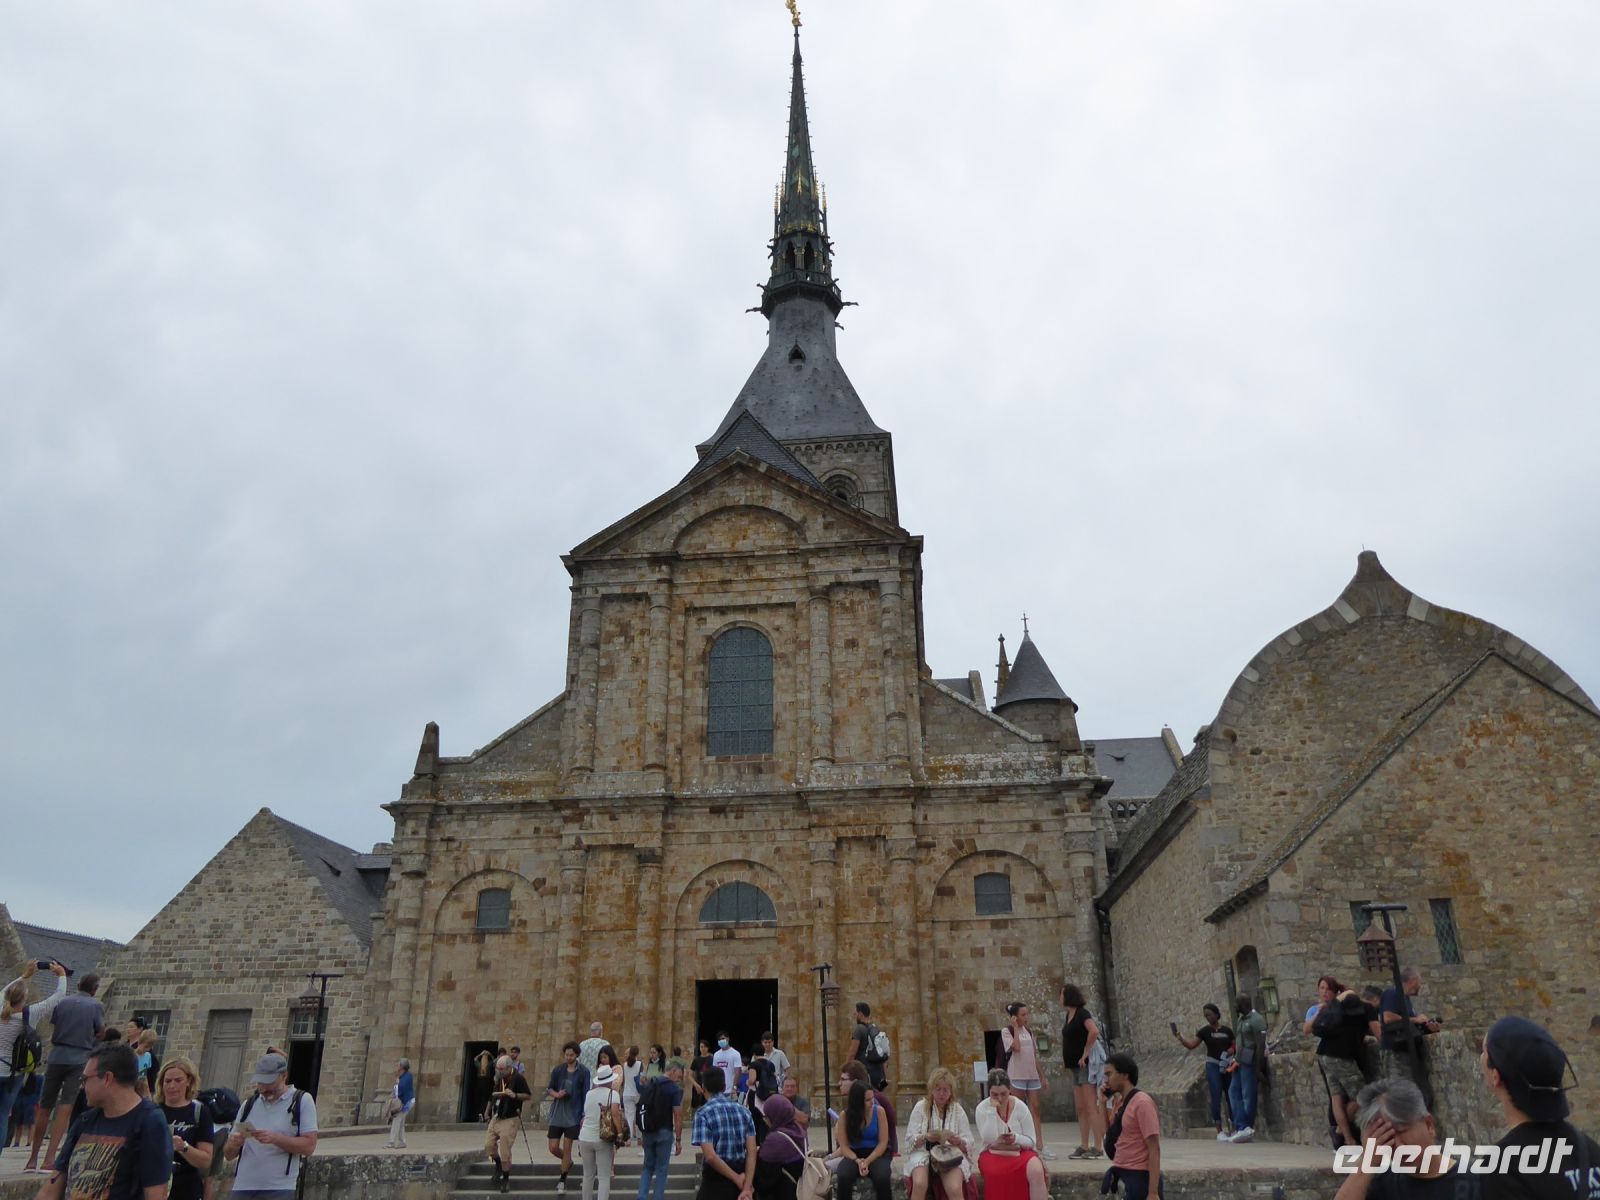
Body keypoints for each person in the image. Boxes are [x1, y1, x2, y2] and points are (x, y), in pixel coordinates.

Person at [1480, 1014, 1600, 1199]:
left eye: (1484, 1051)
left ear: (1496, 1077)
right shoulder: (1589, 1149)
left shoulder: (1503, 1166)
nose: (1481, 1057)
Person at [32, 1042, 171, 1200]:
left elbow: (156, 1194)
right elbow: (51, 1189)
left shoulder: (150, 1122)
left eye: (85, 1079)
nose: (82, 1086)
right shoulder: (85, 1121)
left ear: (107, 1078)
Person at [25, 970, 107, 1174]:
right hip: (78, 1057)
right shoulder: (96, 1006)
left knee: (45, 1106)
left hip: (57, 1055)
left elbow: (55, 1024)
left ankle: (32, 1159)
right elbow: (101, 1031)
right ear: (95, 989)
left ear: (78, 986)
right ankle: (49, 1159)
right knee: (66, 1106)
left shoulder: (63, 1003)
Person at [1332, 1077, 1470, 1200]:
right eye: (1387, 1137)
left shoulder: (1474, 1182)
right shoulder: (1380, 1185)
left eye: (1402, 1131)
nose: (1399, 1146)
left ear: (1429, 1125)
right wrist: (1366, 1164)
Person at [224, 1052, 318, 1200]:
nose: (264, 1088)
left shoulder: (302, 1101)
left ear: (284, 1076)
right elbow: (228, 1155)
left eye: (269, 1083)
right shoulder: (248, 1104)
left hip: (279, 1187)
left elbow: (309, 1146)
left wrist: (276, 1139)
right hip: (243, 1186)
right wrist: (234, 1144)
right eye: (260, 1083)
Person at [2, 961, 68, 1156]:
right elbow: (57, 998)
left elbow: (3, 992)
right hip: (13, 1073)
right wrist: (62, 975)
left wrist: (25, 976)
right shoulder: (29, 1014)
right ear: (25, 998)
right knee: (2, 1116)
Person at [1309, 978, 1371, 1147]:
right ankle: (1340, 1131)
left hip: (1324, 1055)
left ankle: (1348, 1140)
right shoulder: (1357, 1010)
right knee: (1363, 1095)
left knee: (1336, 1098)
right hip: (1339, 1056)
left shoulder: (1333, 1011)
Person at [973, 1069, 1045, 1200]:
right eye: (995, 1094)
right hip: (992, 1153)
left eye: (1003, 1094)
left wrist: (1016, 1138)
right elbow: (988, 1139)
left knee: (1036, 1170)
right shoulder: (982, 1109)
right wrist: (991, 1112)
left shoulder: (1020, 1107)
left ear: (1009, 1090)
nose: (1000, 1098)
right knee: (995, 1172)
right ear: (989, 1092)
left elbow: (1031, 1141)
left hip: (1020, 1151)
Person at [904, 1067, 973, 1200]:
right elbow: (910, 1138)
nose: (941, 1094)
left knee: (954, 1187)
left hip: (950, 1154)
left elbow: (969, 1141)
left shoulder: (958, 1110)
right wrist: (925, 1137)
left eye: (945, 1090)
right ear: (931, 1090)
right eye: (938, 1089)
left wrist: (959, 1141)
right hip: (923, 1152)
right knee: (920, 1183)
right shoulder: (921, 1107)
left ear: (951, 1091)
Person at [1103, 1053, 1162, 1200]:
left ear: (1124, 1074)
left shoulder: (1142, 1103)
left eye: (1109, 1074)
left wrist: (1153, 1193)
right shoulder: (1120, 1103)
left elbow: (1154, 1148)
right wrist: (1102, 1103)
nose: (1106, 1080)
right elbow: (1109, 1136)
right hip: (1123, 1173)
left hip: (1139, 1177)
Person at [691, 1066, 756, 1200]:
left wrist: (736, 1178)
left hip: (716, 1179)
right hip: (740, 1174)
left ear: (703, 1087)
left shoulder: (703, 1113)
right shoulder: (744, 1111)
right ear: (724, 1086)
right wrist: (747, 1186)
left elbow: (710, 1156)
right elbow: (752, 1151)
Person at [1171, 1002, 1233, 1139]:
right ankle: (1219, 1130)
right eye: (1206, 1016)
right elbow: (1192, 1045)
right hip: (1213, 1065)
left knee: (1230, 1095)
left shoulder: (1227, 1031)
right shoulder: (1204, 1031)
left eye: (1210, 1015)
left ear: (1216, 1014)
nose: (1208, 1017)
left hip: (1226, 1064)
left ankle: (1234, 1127)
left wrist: (1230, 1051)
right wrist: (1181, 1039)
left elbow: (1234, 1045)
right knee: (1216, 1095)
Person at [157, 1056, 215, 1200]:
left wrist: (183, 1147)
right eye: (168, 1081)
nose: (172, 1086)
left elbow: (205, 1160)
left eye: (178, 1080)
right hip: (155, 1186)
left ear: (189, 1081)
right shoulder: (153, 1112)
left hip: (187, 1188)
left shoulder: (199, 1112)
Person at [1059, 983, 1104, 1159]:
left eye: (1062, 994)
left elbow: (1093, 1031)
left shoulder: (1082, 1013)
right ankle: (1084, 1145)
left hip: (1084, 1066)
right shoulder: (1068, 1015)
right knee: (1081, 1108)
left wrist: (1085, 1053)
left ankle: (1098, 1146)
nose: (1060, 998)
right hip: (1074, 1067)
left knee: (1090, 1106)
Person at [999, 1002, 1049, 1159]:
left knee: (1036, 1109)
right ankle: (1019, 1143)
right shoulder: (1006, 1031)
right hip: (1017, 1075)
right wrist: (1015, 1028)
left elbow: (1033, 1056)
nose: (1026, 1018)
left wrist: (1042, 1076)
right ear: (1015, 1017)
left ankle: (1040, 1145)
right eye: (1023, 1015)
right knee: (1017, 1110)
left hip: (1031, 1075)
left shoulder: (1029, 1031)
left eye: (1027, 1014)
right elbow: (1016, 1047)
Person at [831, 1077, 890, 1200]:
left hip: (876, 1153)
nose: (872, 1102)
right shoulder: (845, 1116)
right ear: (857, 1101)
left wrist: (867, 1161)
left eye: (872, 1098)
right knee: (844, 1176)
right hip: (853, 1154)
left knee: (882, 1177)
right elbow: (844, 1146)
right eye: (867, 1100)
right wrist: (857, 1160)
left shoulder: (879, 1112)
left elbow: (883, 1143)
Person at [635, 1059, 685, 1200]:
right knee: (662, 1169)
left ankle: (641, 1197)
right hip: (664, 1131)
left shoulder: (650, 1084)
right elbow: (678, 1115)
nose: (678, 1080)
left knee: (647, 1167)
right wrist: (678, 1139)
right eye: (679, 1076)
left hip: (648, 1131)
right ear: (673, 1071)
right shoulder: (674, 1089)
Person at [1379, 969, 1440, 1083]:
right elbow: (1388, 1017)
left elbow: (1408, 1023)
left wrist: (1428, 1027)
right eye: (1419, 982)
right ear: (1413, 981)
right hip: (1394, 1051)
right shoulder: (1393, 993)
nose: (1420, 986)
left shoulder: (1405, 999)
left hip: (1406, 1050)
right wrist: (1415, 1019)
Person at [546, 1042, 590, 1196]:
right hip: (558, 1113)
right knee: (553, 1147)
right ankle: (568, 1161)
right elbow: (549, 1088)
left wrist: (584, 1114)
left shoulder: (584, 1071)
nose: (568, 1057)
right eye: (566, 1055)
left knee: (567, 1146)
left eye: (571, 1055)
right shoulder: (558, 1070)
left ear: (576, 1055)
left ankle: (562, 1179)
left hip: (574, 1114)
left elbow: (586, 1093)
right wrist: (557, 1094)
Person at [1226, 994, 1268, 1144]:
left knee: (1248, 1095)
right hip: (1239, 1061)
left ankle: (1246, 1127)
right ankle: (1241, 1126)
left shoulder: (1256, 1020)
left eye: (1236, 1003)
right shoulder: (1240, 1020)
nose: (1234, 1006)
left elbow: (1260, 1044)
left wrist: (1259, 1068)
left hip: (1250, 1062)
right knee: (1233, 1092)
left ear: (1243, 1004)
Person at [578, 1064, 623, 1200]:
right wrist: (620, 1133)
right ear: (610, 1080)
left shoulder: (589, 1094)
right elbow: (615, 1115)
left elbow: (586, 1113)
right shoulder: (613, 1094)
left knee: (588, 1175)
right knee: (603, 1176)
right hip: (602, 1138)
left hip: (585, 1137)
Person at [753, 1094, 808, 1200]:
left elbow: (763, 1179)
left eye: (766, 1116)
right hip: (799, 1190)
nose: (765, 1120)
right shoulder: (799, 1131)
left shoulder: (775, 1139)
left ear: (775, 1116)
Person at [836, 1063, 897, 1155]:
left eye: (843, 1079)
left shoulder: (871, 1101)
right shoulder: (858, 1101)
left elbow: (856, 1143)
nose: (839, 1083)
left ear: (855, 1082)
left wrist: (829, 1157)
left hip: (876, 1153)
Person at [846, 1005, 886, 1091]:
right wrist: (883, 1076)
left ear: (860, 1014)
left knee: (863, 1096)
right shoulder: (876, 1030)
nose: (854, 1015)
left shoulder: (859, 1029)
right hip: (877, 1073)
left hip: (864, 1073)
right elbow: (884, 1056)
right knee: (873, 1096)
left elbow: (852, 1052)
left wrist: (846, 1071)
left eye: (855, 1013)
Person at [384, 1059, 415, 1149]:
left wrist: (398, 1083)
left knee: (396, 1120)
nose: (396, 1066)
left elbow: (400, 1090)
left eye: (398, 1065)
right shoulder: (403, 1076)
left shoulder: (407, 1076)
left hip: (407, 1103)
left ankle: (391, 1142)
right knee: (400, 1121)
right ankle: (402, 1142)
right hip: (406, 1102)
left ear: (402, 1067)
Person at [622, 1047, 645, 1141]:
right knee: (639, 1115)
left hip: (627, 1093)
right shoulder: (639, 1064)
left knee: (629, 1116)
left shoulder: (624, 1065)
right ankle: (639, 1137)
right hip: (637, 1093)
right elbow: (642, 1078)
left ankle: (629, 1138)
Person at [690, 1041, 715, 1110]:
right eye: (701, 1047)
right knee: (697, 1109)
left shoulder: (712, 1059)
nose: (703, 1049)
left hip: (709, 1088)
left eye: (705, 1047)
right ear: (699, 1048)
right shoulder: (696, 1060)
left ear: (708, 1048)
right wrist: (696, 1085)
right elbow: (689, 1075)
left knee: (709, 1108)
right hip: (697, 1088)